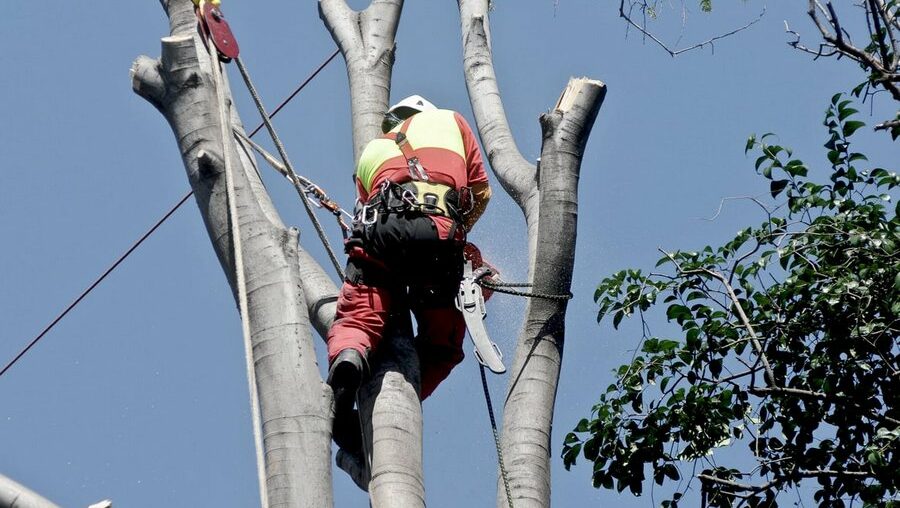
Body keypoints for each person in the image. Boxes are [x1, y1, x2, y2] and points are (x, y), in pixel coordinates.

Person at [326, 95, 491, 451]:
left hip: (381, 234)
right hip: (437, 236)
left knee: (359, 314)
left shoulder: (372, 149)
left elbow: (365, 205)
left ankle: (350, 357)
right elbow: (480, 192)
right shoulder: (452, 122)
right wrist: (453, 235)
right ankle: (407, 386)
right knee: (443, 344)